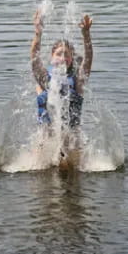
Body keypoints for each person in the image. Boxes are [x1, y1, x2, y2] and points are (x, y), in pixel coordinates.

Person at [30, 9, 93, 170]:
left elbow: (88, 60)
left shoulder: (78, 81)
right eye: (59, 54)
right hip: (46, 139)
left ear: (72, 59)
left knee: (74, 178)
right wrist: (38, 33)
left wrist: (86, 35)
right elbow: (34, 58)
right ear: (51, 57)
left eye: (67, 55)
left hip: (72, 140)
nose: (63, 58)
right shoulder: (44, 80)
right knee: (38, 177)